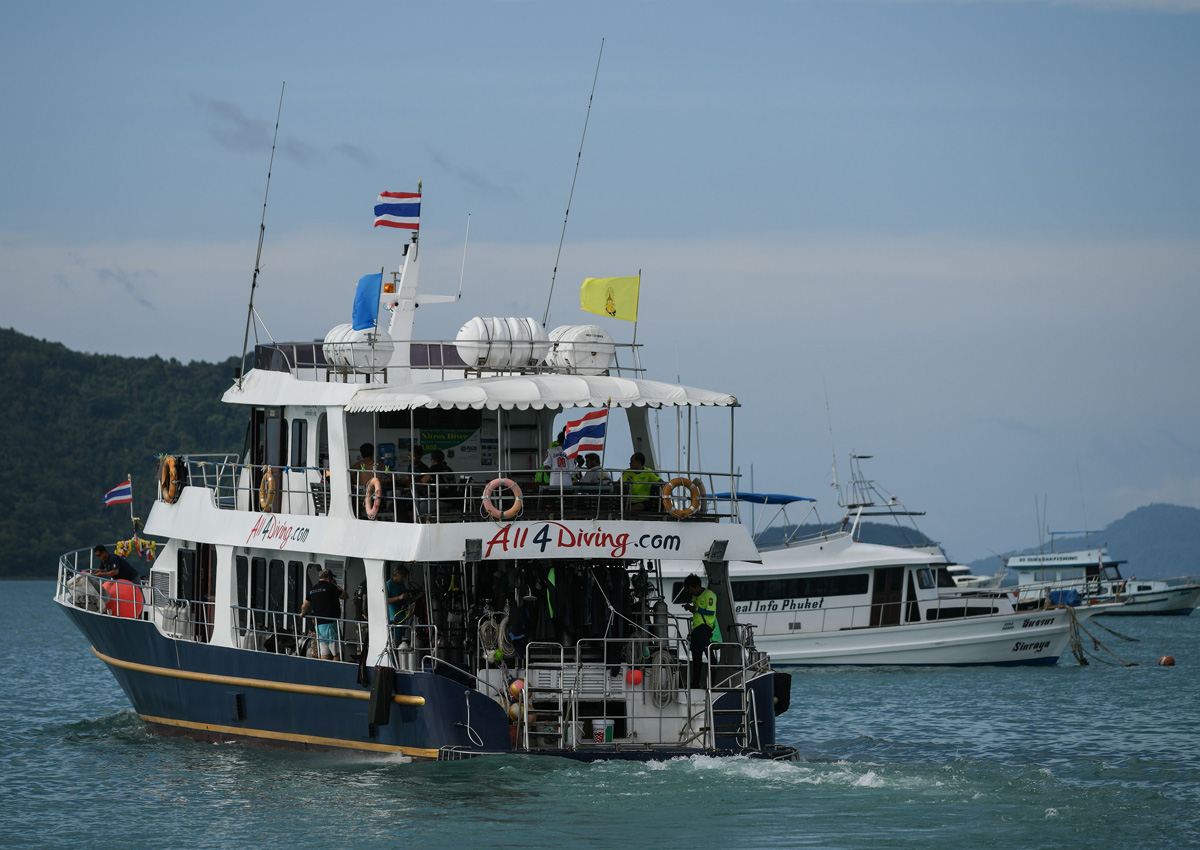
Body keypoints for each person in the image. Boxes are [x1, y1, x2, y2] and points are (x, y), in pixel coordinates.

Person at [682, 573, 722, 688]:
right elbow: (697, 611)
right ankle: (695, 683)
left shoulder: (709, 595)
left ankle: (712, 683)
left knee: (709, 655)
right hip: (696, 629)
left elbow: (710, 612)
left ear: (696, 586)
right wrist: (691, 609)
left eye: (691, 590)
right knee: (696, 657)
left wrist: (694, 608)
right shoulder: (695, 597)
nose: (691, 593)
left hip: (704, 628)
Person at [301, 569, 347, 661]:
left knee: (324, 653)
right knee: (337, 653)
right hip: (330, 624)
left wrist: (303, 613)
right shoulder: (330, 587)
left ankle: (326, 673)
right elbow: (345, 596)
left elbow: (304, 605)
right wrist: (335, 585)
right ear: (329, 578)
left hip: (319, 626)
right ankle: (335, 672)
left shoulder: (313, 589)